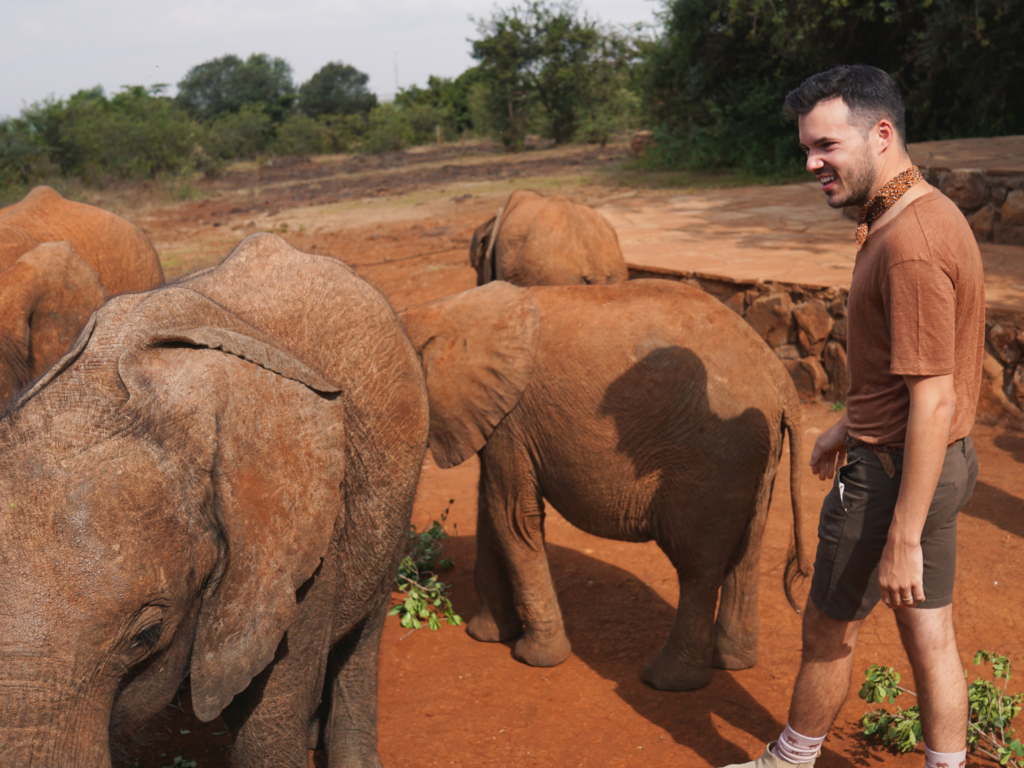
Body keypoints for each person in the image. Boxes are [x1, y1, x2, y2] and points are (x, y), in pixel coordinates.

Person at [723, 65, 984, 768]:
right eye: (807, 148)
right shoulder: (916, 214)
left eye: (827, 146)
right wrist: (849, 421)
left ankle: (791, 758)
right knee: (931, 636)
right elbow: (920, 376)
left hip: (893, 475)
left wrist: (900, 532)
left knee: (828, 628)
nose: (812, 163)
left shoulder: (910, 247)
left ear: (882, 133)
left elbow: (931, 397)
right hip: (936, 457)